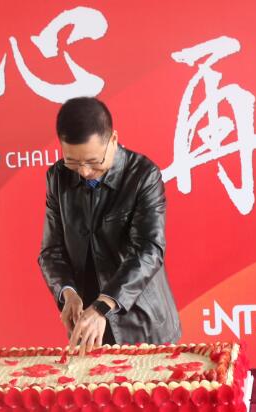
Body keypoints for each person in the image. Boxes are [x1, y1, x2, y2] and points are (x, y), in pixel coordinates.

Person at [39, 96, 181, 355]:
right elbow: (52, 251)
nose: (83, 172)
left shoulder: (143, 175)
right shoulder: (58, 177)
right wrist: (68, 292)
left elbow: (149, 250)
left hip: (142, 322)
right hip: (88, 325)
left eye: (93, 162)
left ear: (113, 140)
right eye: (73, 161)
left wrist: (103, 305)